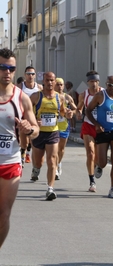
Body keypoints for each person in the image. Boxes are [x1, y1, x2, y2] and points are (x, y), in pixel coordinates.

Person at [0, 48, 39, 249]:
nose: (7, 72)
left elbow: (35, 129)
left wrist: (29, 128)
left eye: (11, 68)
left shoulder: (21, 98)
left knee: (4, 213)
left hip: (10, 161)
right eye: (3, 67)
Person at [30, 72, 72, 200]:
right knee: (38, 161)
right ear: (43, 81)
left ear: (55, 82)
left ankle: (50, 189)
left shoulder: (60, 98)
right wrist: (33, 121)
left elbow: (63, 112)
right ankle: (36, 169)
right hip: (38, 133)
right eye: (47, 80)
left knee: (52, 160)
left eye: (52, 80)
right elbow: (26, 113)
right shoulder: (36, 96)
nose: (49, 83)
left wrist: (68, 114)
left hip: (53, 132)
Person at [85, 75, 113, 198]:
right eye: (110, 85)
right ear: (106, 84)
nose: (112, 88)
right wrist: (96, 124)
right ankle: (99, 166)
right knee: (103, 162)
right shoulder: (100, 96)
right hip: (102, 132)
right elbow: (88, 110)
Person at [76, 71, 104, 192]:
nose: (94, 84)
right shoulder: (84, 95)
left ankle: (98, 165)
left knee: (98, 158)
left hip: (101, 126)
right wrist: (77, 113)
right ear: (88, 82)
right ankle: (92, 181)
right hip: (88, 124)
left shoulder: (104, 93)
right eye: (91, 81)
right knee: (90, 153)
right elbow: (79, 108)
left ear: (99, 82)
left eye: (96, 81)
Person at [19, 66, 43, 167]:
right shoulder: (20, 86)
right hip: (23, 115)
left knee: (32, 136)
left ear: (35, 75)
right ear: (25, 75)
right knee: (23, 136)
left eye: (32, 74)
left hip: (34, 115)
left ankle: (27, 152)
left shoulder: (40, 87)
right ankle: (23, 152)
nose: (30, 76)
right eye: (28, 74)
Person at [54, 77, 76, 180]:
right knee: (54, 149)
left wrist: (72, 112)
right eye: (57, 84)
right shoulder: (50, 96)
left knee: (61, 149)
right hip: (52, 127)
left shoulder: (67, 97)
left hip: (64, 126)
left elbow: (76, 110)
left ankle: (59, 163)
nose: (59, 86)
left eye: (61, 85)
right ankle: (54, 169)